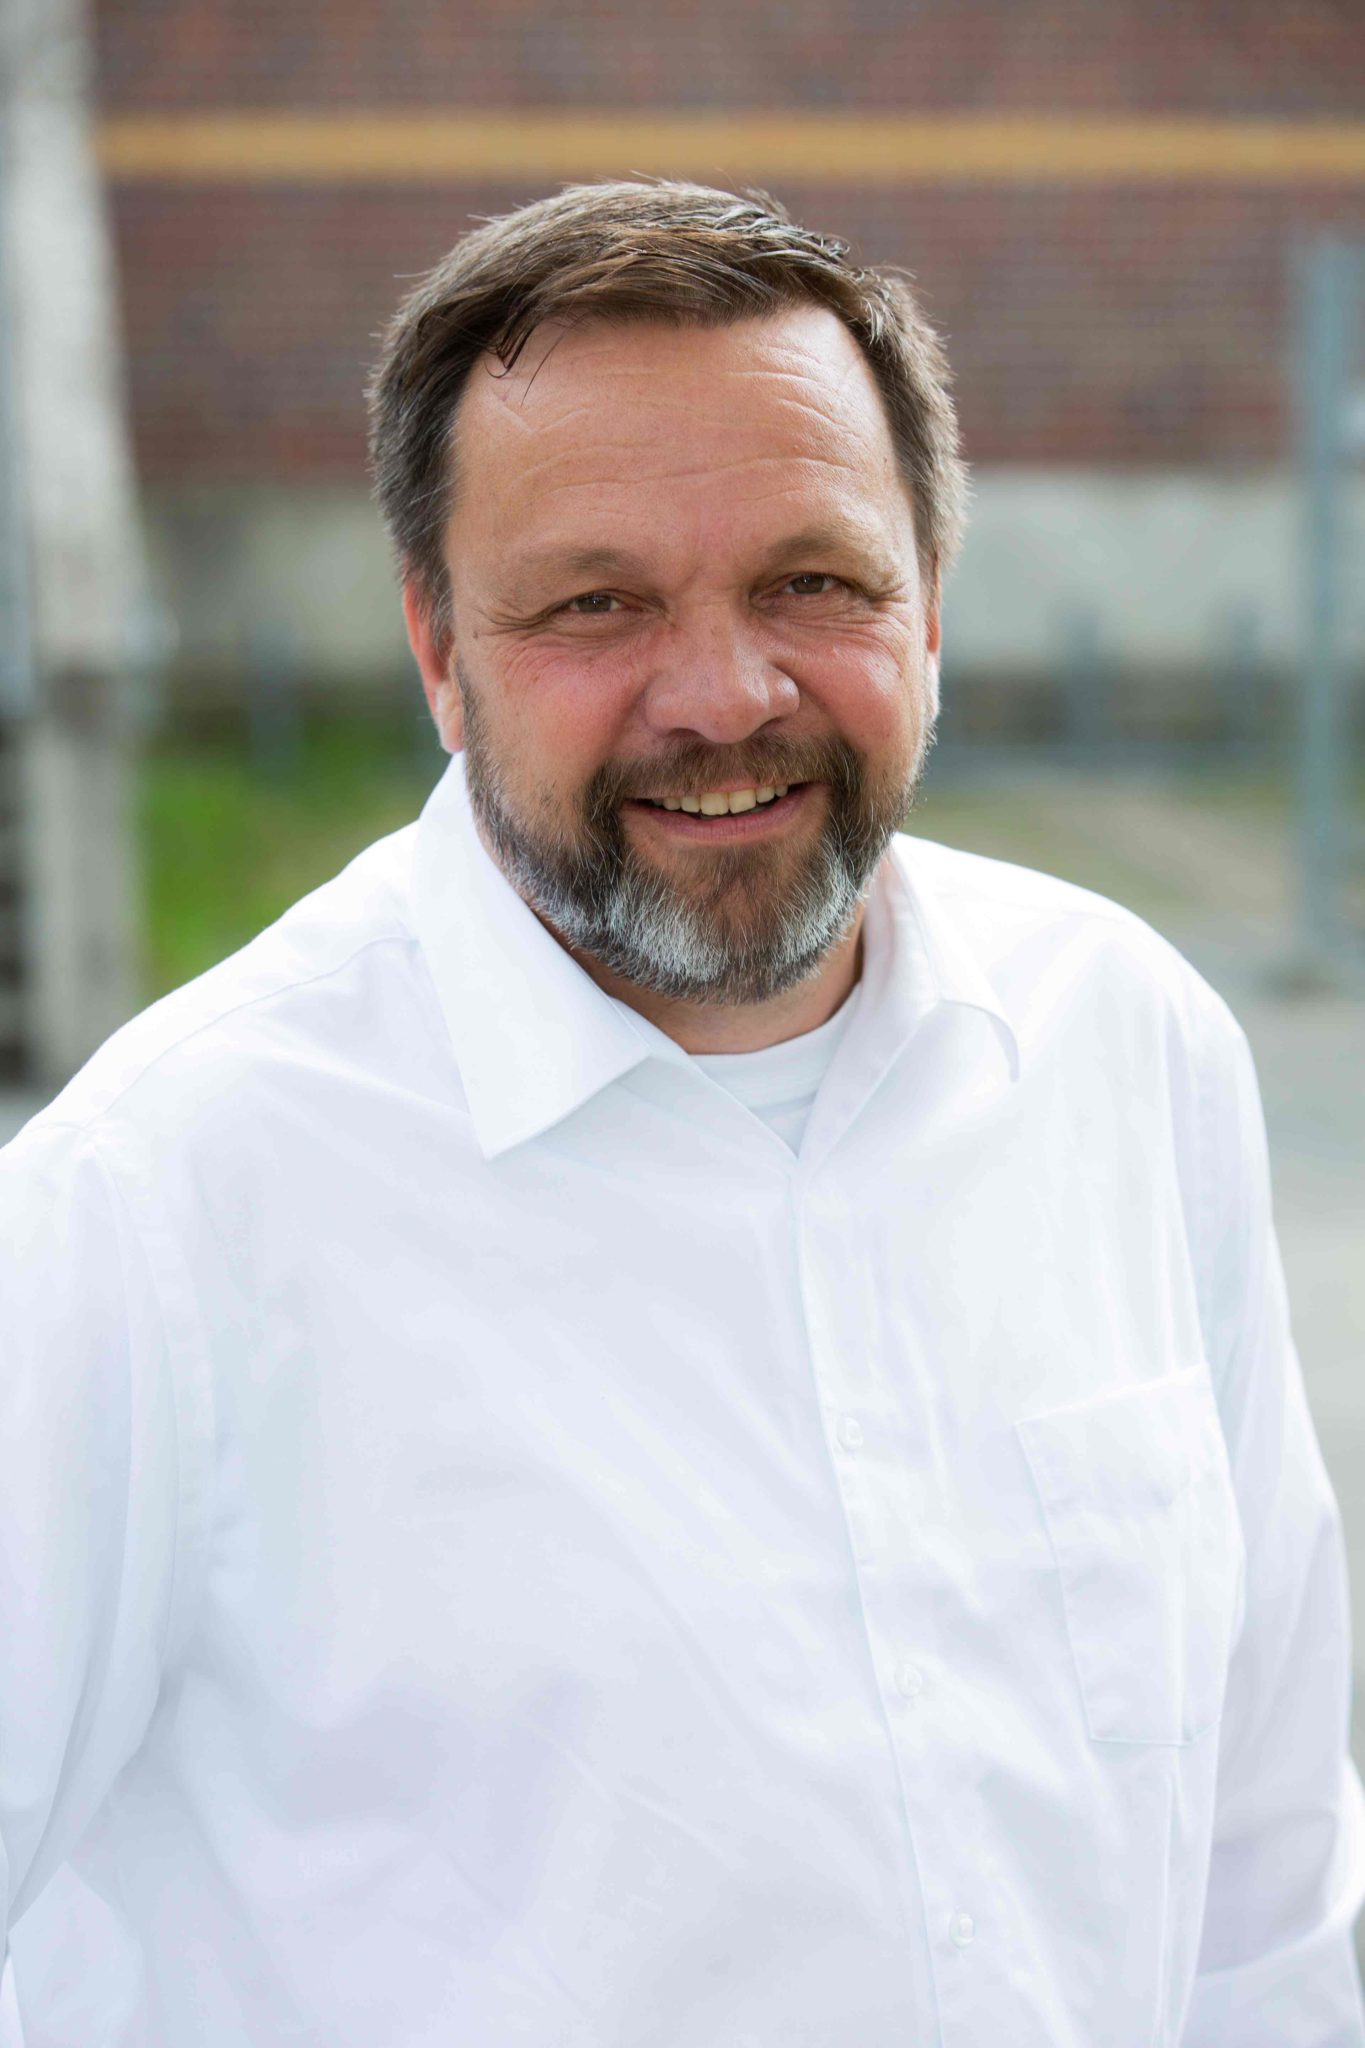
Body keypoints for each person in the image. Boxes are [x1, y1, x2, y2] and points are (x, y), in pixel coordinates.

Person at [1, 179, 1362, 2048]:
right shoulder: (156, 1206)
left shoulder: (1122, 1047)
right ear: (438, 652)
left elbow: (1263, 1872)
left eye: (813, 581)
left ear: (931, 600)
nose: (723, 695)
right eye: (596, 604)